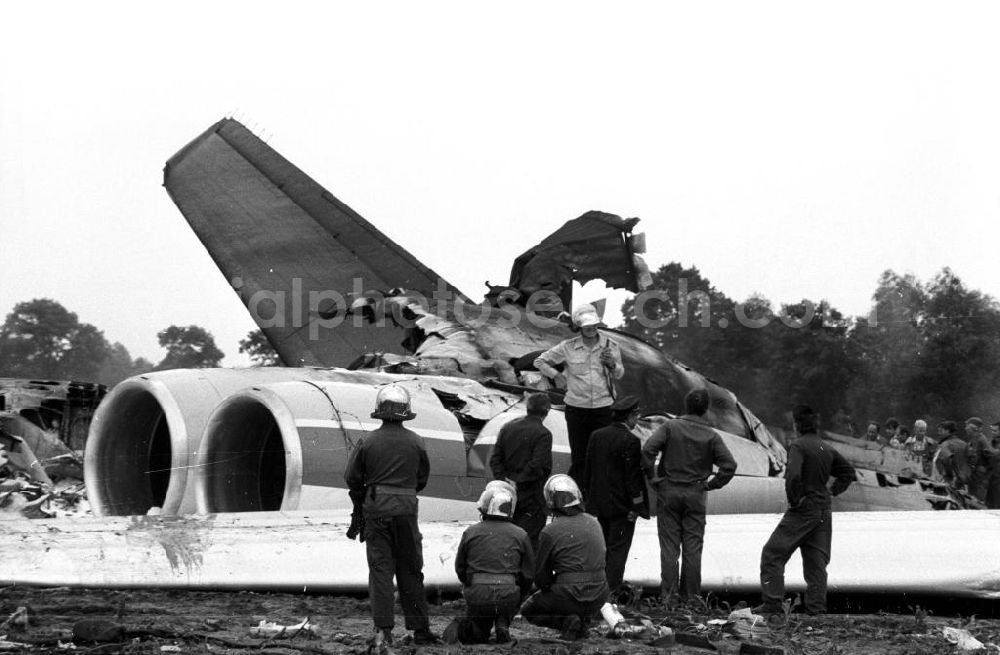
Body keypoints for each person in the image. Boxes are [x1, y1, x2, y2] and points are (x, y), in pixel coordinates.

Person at [344, 385, 439, 650]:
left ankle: (383, 631)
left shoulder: (368, 441)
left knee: (381, 571)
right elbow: (422, 479)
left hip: (377, 512)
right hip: (407, 510)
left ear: (380, 411)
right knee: (410, 570)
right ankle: (421, 630)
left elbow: (352, 478)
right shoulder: (417, 441)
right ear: (406, 412)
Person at [640, 388, 737, 608]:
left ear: (686, 406)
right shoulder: (712, 435)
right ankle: (692, 599)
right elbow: (729, 466)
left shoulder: (670, 427)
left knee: (669, 548)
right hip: (695, 494)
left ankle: (669, 599)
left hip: (669, 491)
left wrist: (652, 477)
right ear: (705, 409)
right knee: (693, 548)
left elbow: (648, 450)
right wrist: (711, 485)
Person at [756, 405, 856, 617]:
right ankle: (816, 609)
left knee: (772, 553)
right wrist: (833, 490)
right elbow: (848, 472)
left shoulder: (798, 446)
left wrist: (795, 499)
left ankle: (772, 603)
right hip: (823, 510)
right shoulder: (825, 448)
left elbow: (792, 475)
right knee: (816, 563)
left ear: (796, 425)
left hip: (805, 508)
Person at [533, 304, 624, 485]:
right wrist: (556, 375)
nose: (591, 329)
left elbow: (620, 374)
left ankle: (598, 497)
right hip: (577, 408)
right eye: (587, 326)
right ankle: (577, 496)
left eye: (594, 325)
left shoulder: (610, 345)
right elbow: (539, 361)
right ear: (579, 327)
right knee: (579, 456)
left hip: (603, 407)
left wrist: (612, 364)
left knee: (602, 454)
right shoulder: (568, 347)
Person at [444, 481, 534, 645]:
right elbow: (528, 574)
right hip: (508, 595)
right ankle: (503, 623)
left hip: (478, 594)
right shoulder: (521, 534)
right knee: (513, 597)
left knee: (477, 632)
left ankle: (479, 629)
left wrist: (472, 585)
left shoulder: (471, 532)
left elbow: (460, 568)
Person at [520, 474, 609, 641]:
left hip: (568, 595)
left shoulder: (550, 531)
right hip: (600, 594)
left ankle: (567, 621)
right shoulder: (594, 522)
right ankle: (581, 624)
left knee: (528, 610)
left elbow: (541, 578)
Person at [581, 395, 649, 593]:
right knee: (618, 550)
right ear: (629, 417)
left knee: (602, 550)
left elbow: (588, 471)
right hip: (622, 508)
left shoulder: (596, 436)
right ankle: (610, 593)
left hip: (600, 505)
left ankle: (598, 590)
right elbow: (633, 478)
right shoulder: (631, 440)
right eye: (636, 416)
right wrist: (636, 506)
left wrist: (590, 499)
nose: (637, 420)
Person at [489, 393, 553, 548]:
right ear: (547, 410)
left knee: (508, 539)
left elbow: (495, 460)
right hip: (532, 494)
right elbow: (537, 464)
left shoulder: (508, 427)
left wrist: (505, 481)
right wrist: (518, 481)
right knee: (529, 542)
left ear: (528, 408)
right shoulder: (543, 434)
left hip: (506, 493)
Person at [965, 417, 997, 503]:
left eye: (967, 426)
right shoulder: (973, 440)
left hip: (980, 480)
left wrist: (986, 475)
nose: (965, 429)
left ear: (974, 428)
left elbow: (992, 457)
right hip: (974, 478)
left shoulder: (981, 440)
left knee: (978, 504)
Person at [932, 421, 970, 490]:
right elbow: (970, 461)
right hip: (963, 481)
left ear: (948, 431)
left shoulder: (945, 445)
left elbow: (947, 459)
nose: (939, 433)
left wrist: (949, 476)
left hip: (949, 481)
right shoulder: (964, 444)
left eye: (941, 431)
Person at [987, 421, 1000, 509]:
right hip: (991, 478)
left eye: (994, 431)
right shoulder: (991, 442)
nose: (992, 433)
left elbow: (996, 454)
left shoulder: (988, 444)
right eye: (991, 430)